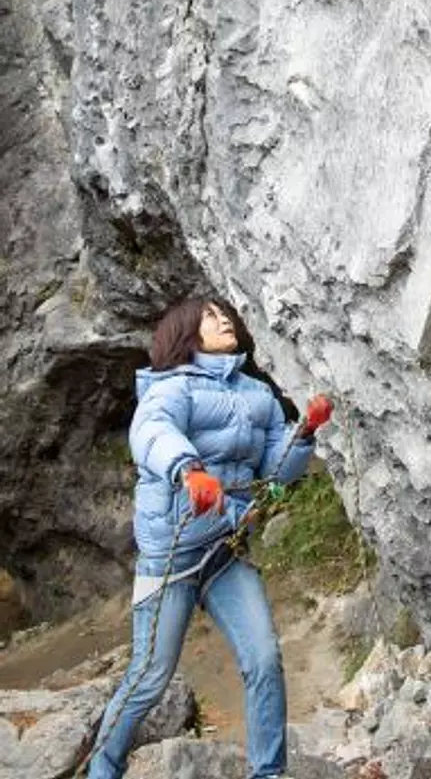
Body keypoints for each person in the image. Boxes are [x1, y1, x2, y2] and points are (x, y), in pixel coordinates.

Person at [87, 297, 332, 779]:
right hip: (170, 558)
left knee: (264, 658)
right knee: (150, 676)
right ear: (186, 332)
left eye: (226, 316)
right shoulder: (170, 388)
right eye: (211, 317)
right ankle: (102, 768)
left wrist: (303, 434)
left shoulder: (258, 394)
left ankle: (269, 772)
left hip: (226, 552)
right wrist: (189, 470)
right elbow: (152, 432)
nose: (225, 321)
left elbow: (273, 471)